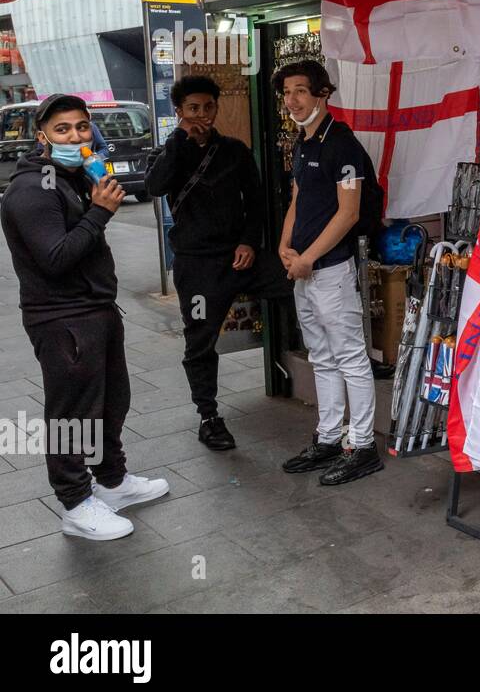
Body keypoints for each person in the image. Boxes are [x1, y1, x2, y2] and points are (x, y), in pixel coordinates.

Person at [0, 95, 169, 540]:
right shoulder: (32, 189)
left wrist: (95, 206)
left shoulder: (73, 176)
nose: (76, 136)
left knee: (112, 401)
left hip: (95, 310)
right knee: (72, 414)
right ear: (42, 137)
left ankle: (112, 481)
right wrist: (99, 213)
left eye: (82, 126)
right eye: (62, 129)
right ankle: (76, 504)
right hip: (62, 319)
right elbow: (55, 258)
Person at [144, 75, 292, 451]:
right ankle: (208, 417)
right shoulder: (167, 152)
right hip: (197, 268)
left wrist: (249, 242)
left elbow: (256, 202)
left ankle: (321, 368)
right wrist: (179, 139)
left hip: (241, 257)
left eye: (208, 107)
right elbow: (155, 187)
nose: (202, 115)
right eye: (193, 108)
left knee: (297, 288)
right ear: (179, 111)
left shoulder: (235, 150)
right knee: (200, 341)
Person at [274, 59, 383, 485]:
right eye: (286, 92)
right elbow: (298, 201)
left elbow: (349, 212)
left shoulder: (343, 144)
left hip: (332, 270)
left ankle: (362, 446)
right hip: (303, 268)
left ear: (322, 93)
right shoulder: (303, 143)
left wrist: (308, 257)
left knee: (351, 358)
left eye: (300, 90)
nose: (292, 100)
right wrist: (286, 246)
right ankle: (329, 437)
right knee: (321, 356)